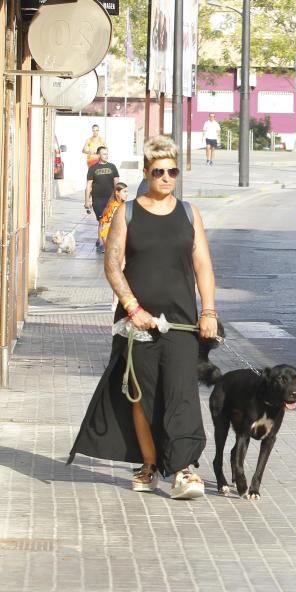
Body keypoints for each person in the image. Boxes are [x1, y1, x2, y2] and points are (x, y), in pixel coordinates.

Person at [69, 135, 218, 499]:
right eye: (159, 172)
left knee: (182, 393)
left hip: (182, 321)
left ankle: (183, 470)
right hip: (137, 324)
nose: (167, 178)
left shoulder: (189, 213)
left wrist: (209, 310)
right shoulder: (128, 212)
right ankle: (150, 463)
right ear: (147, 173)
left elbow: (202, 264)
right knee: (142, 396)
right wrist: (132, 307)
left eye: (173, 171)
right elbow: (112, 264)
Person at [85, 146, 120, 254]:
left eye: (107, 153)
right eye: (104, 154)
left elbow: (117, 184)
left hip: (111, 199)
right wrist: (87, 201)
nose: (106, 155)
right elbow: (88, 186)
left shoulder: (112, 167)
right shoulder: (93, 169)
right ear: (99, 155)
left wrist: (119, 197)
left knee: (109, 222)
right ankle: (101, 244)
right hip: (98, 200)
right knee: (102, 222)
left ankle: (102, 240)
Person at [99, 182, 129, 250]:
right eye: (124, 191)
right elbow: (113, 223)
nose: (127, 194)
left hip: (110, 235)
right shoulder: (115, 206)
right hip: (111, 235)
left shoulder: (117, 204)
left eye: (127, 192)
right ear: (117, 192)